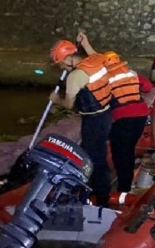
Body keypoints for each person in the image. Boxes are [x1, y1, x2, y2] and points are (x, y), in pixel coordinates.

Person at [76, 33, 153, 193]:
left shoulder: (104, 77)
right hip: (140, 116)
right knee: (128, 148)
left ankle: (123, 189)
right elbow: (147, 87)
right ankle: (126, 181)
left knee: (121, 153)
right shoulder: (131, 73)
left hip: (122, 118)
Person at [48, 38, 113, 207]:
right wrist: (85, 43)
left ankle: (101, 198)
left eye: (61, 64)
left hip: (93, 120)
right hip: (106, 114)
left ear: (68, 59)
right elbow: (95, 54)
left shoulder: (75, 76)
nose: (61, 68)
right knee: (90, 151)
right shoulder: (96, 60)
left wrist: (56, 100)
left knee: (95, 158)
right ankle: (91, 188)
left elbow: (69, 105)